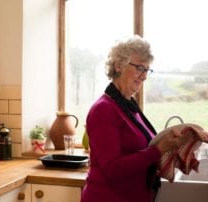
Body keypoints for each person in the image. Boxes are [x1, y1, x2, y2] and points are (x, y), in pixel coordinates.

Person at [80, 35, 190, 202]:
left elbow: (141, 153)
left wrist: (176, 151)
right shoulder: (104, 109)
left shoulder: (128, 106)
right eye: (139, 68)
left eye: (147, 70)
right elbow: (113, 169)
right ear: (118, 66)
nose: (144, 76)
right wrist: (159, 150)